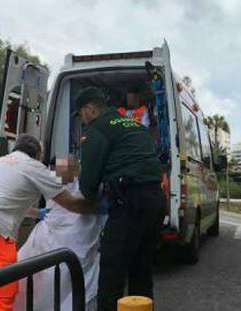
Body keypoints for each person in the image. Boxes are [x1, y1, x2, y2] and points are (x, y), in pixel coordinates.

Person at [0, 134, 90, 311]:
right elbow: (70, 203)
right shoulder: (34, 167)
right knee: (2, 293)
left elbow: (0, 198)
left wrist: (37, 212)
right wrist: (97, 208)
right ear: (38, 155)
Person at [73, 86, 167, 311]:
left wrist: (90, 202)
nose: (82, 120)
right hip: (156, 200)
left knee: (112, 271)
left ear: (90, 108)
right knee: (141, 268)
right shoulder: (135, 125)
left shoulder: (96, 130)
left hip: (130, 202)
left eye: (81, 114)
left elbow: (88, 184)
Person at [14, 156, 107, 311]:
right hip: (59, 236)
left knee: (33, 272)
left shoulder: (59, 187)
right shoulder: (85, 190)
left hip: (60, 237)